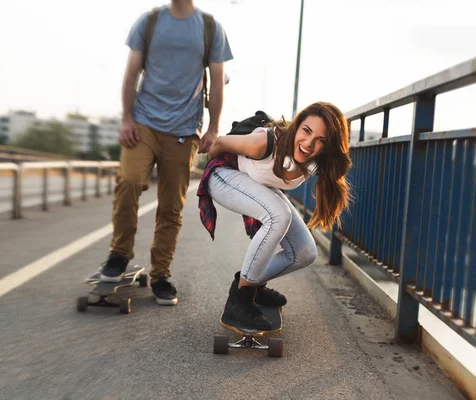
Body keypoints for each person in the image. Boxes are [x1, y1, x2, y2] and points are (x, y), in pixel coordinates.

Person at [99, 0, 233, 306]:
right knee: (129, 181)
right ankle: (119, 255)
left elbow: (217, 81)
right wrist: (126, 118)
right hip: (143, 123)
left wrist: (213, 129)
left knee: (171, 205)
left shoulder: (211, 29)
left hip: (184, 130)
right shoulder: (149, 21)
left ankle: (161, 274)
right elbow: (131, 72)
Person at [197, 102, 352, 331]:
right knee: (279, 214)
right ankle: (239, 301)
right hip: (223, 175)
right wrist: (215, 179)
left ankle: (251, 284)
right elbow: (218, 144)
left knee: (305, 252)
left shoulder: (317, 163)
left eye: (321, 140)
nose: (309, 144)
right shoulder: (266, 142)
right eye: (307, 131)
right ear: (297, 126)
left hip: (255, 183)